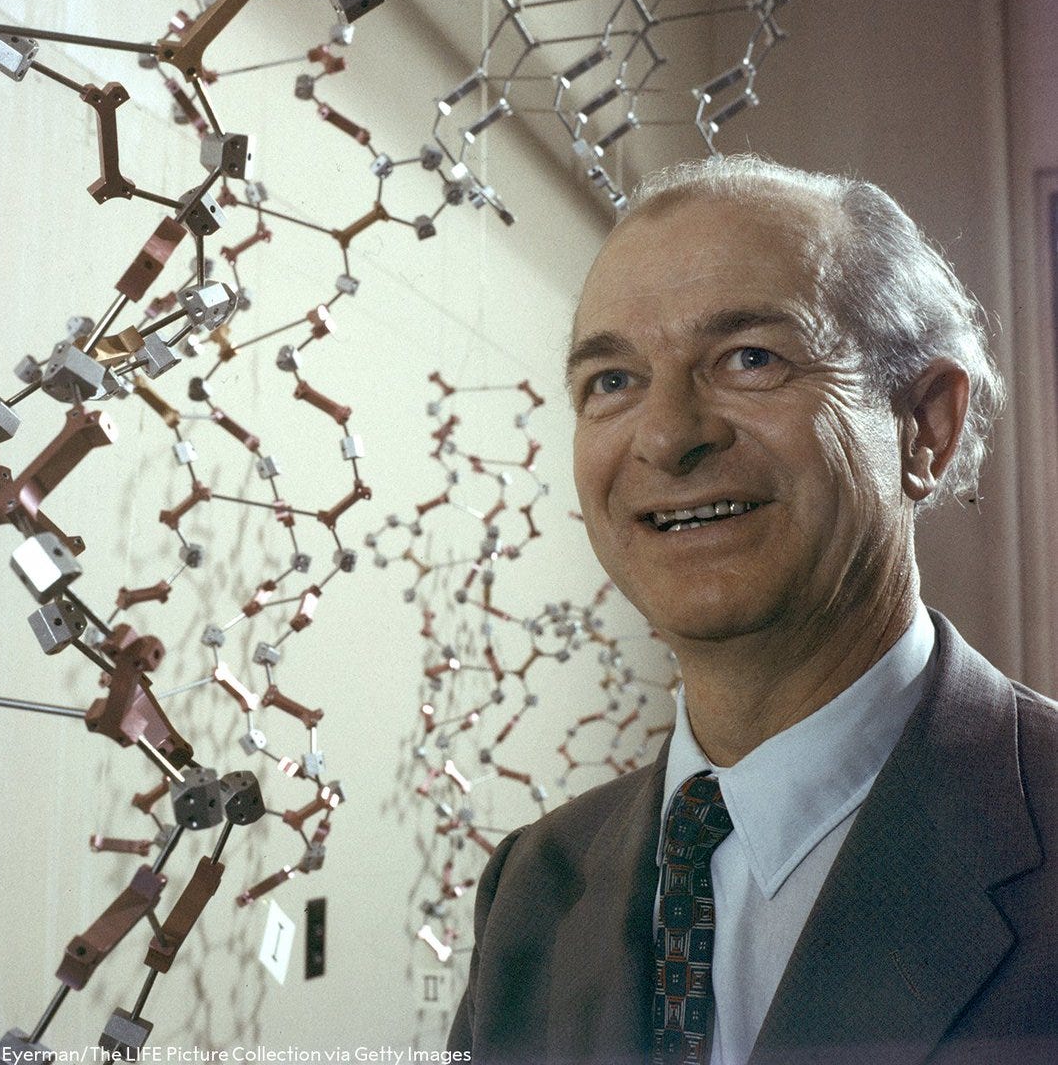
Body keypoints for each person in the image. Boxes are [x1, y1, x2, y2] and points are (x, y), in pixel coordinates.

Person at [447, 156, 1058, 1065]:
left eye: (751, 359)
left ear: (923, 426)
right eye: (612, 380)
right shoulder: (534, 885)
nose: (666, 435)